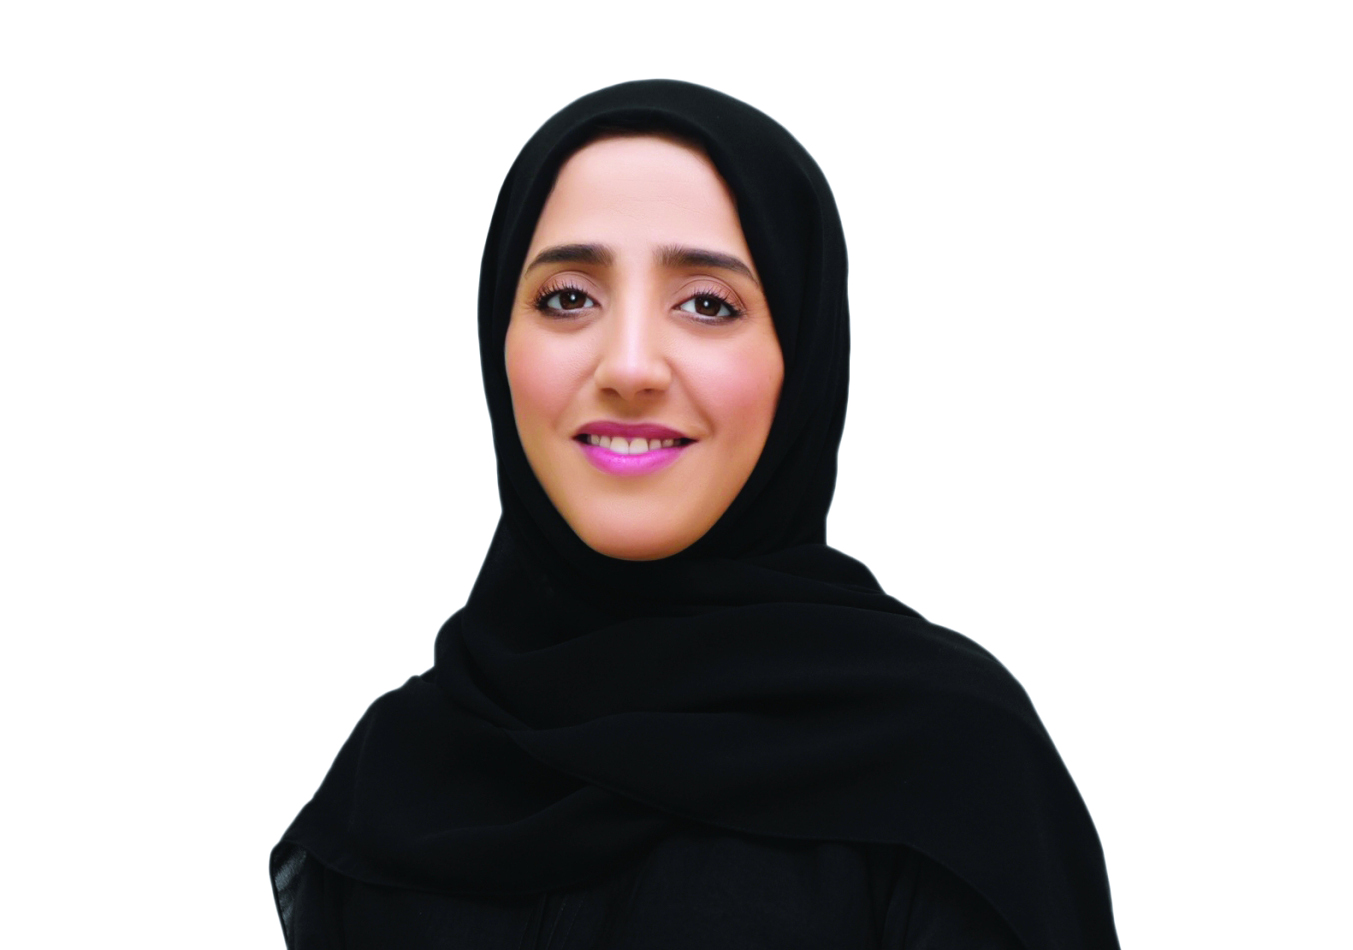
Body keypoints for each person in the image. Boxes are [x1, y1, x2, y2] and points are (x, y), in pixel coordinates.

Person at [270, 79, 1120, 949]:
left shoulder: (952, 766)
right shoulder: (400, 773)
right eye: (568, 297)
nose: (629, 366)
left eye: (708, 304)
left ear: (803, 354)